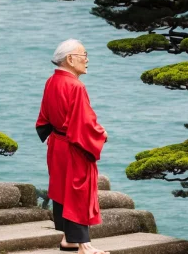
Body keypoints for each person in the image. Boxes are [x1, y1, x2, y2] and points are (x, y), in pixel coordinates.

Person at [36, 39, 109, 254]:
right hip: (74, 147)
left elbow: (45, 118)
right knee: (78, 193)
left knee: (62, 191)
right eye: (84, 55)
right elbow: (84, 123)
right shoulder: (76, 86)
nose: (87, 60)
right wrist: (101, 133)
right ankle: (84, 245)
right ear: (70, 59)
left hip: (56, 145)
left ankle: (68, 239)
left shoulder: (51, 81)